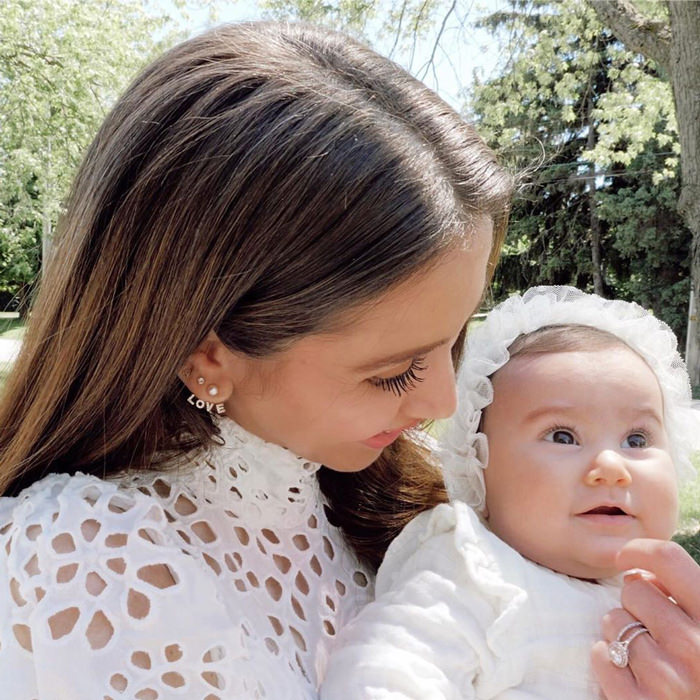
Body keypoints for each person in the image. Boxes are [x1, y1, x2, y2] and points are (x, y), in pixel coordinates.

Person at [0, 20, 514, 700]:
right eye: (393, 370)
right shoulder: (90, 559)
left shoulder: (384, 510)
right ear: (206, 354)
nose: (442, 403)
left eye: (453, 341)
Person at [320, 286, 700, 699]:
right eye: (562, 436)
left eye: (638, 439)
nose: (612, 466)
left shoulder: (668, 597)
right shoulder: (474, 575)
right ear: (479, 467)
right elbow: (380, 676)